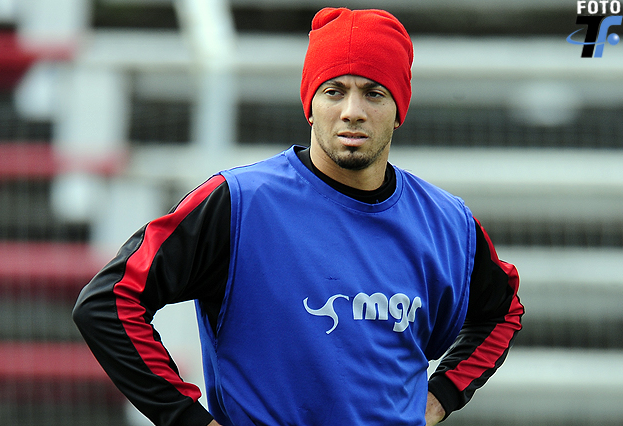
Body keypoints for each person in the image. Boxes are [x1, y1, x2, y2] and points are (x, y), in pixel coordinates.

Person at [73, 7, 523, 426]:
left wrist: (440, 395)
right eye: (334, 91)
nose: (352, 112)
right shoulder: (240, 203)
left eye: (373, 93)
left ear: (398, 109)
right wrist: (190, 420)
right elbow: (108, 302)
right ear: (310, 105)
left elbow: (502, 313)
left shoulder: (448, 224)